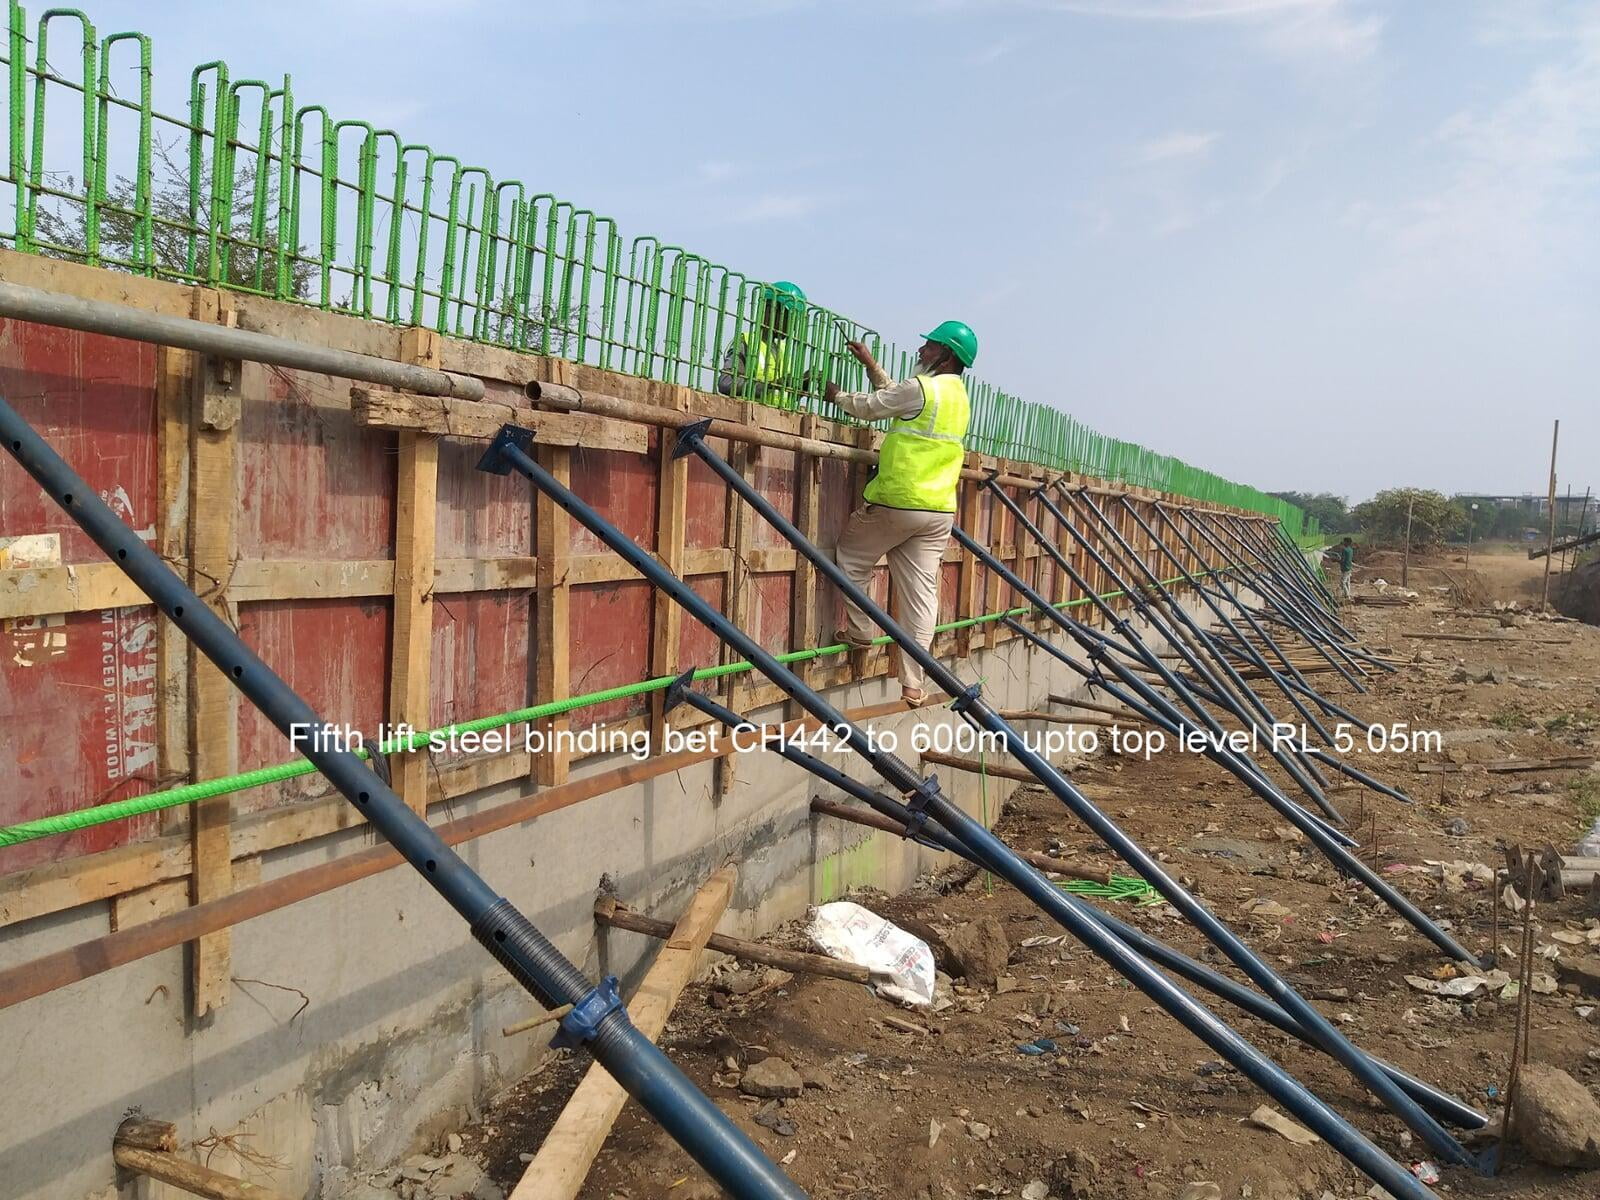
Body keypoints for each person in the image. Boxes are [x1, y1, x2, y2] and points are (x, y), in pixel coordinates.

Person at [822, 320, 978, 704]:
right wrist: (871, 365)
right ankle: (913, 682)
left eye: (929, 346)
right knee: (922, 597)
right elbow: (900, 397)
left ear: (946, 355)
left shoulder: (922, 388)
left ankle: (860, 631)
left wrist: (837, 396)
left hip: (899, 501)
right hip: (939, 510)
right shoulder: (957, 398)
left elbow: (875, 407)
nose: (921, 351)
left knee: (853, 558)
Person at [717, 280, 806, 400]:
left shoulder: (783, 351)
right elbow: (726, 383)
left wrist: (802, 385)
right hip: (751, 416)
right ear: (771, 311)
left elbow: (781, 396)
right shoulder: (747, 343)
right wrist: (769, 386)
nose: (793, 327)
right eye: (790, 318)